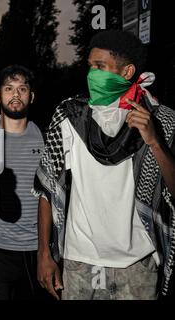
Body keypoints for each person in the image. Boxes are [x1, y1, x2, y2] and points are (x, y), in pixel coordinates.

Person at [35, 30, 175, 300]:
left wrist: (155, 142)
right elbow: (47, 190)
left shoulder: (161, 119)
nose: (92, 74)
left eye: (100, 67)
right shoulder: (70, 115)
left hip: (137, 267)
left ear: (127, 71)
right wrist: (44, 253)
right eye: (90, 66)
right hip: (79, 263)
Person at [0, 65, 45, 299]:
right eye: (9, 88)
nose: (15, 95)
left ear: (31, 96)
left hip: (37, 248)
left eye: (22, 89)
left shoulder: (47, 137)